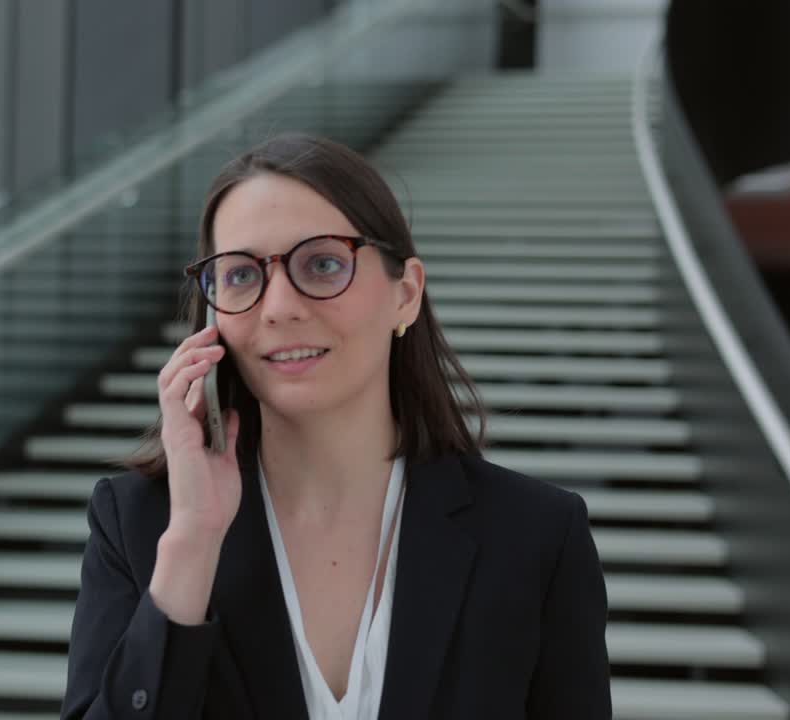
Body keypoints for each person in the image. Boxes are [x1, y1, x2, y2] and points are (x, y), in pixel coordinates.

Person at [61, 133, 611, 719]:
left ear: (406, 294)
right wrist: (193, 543)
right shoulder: (143, 525)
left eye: (322, 264)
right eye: (242, 275)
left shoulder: (537, 537)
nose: (279, 307)